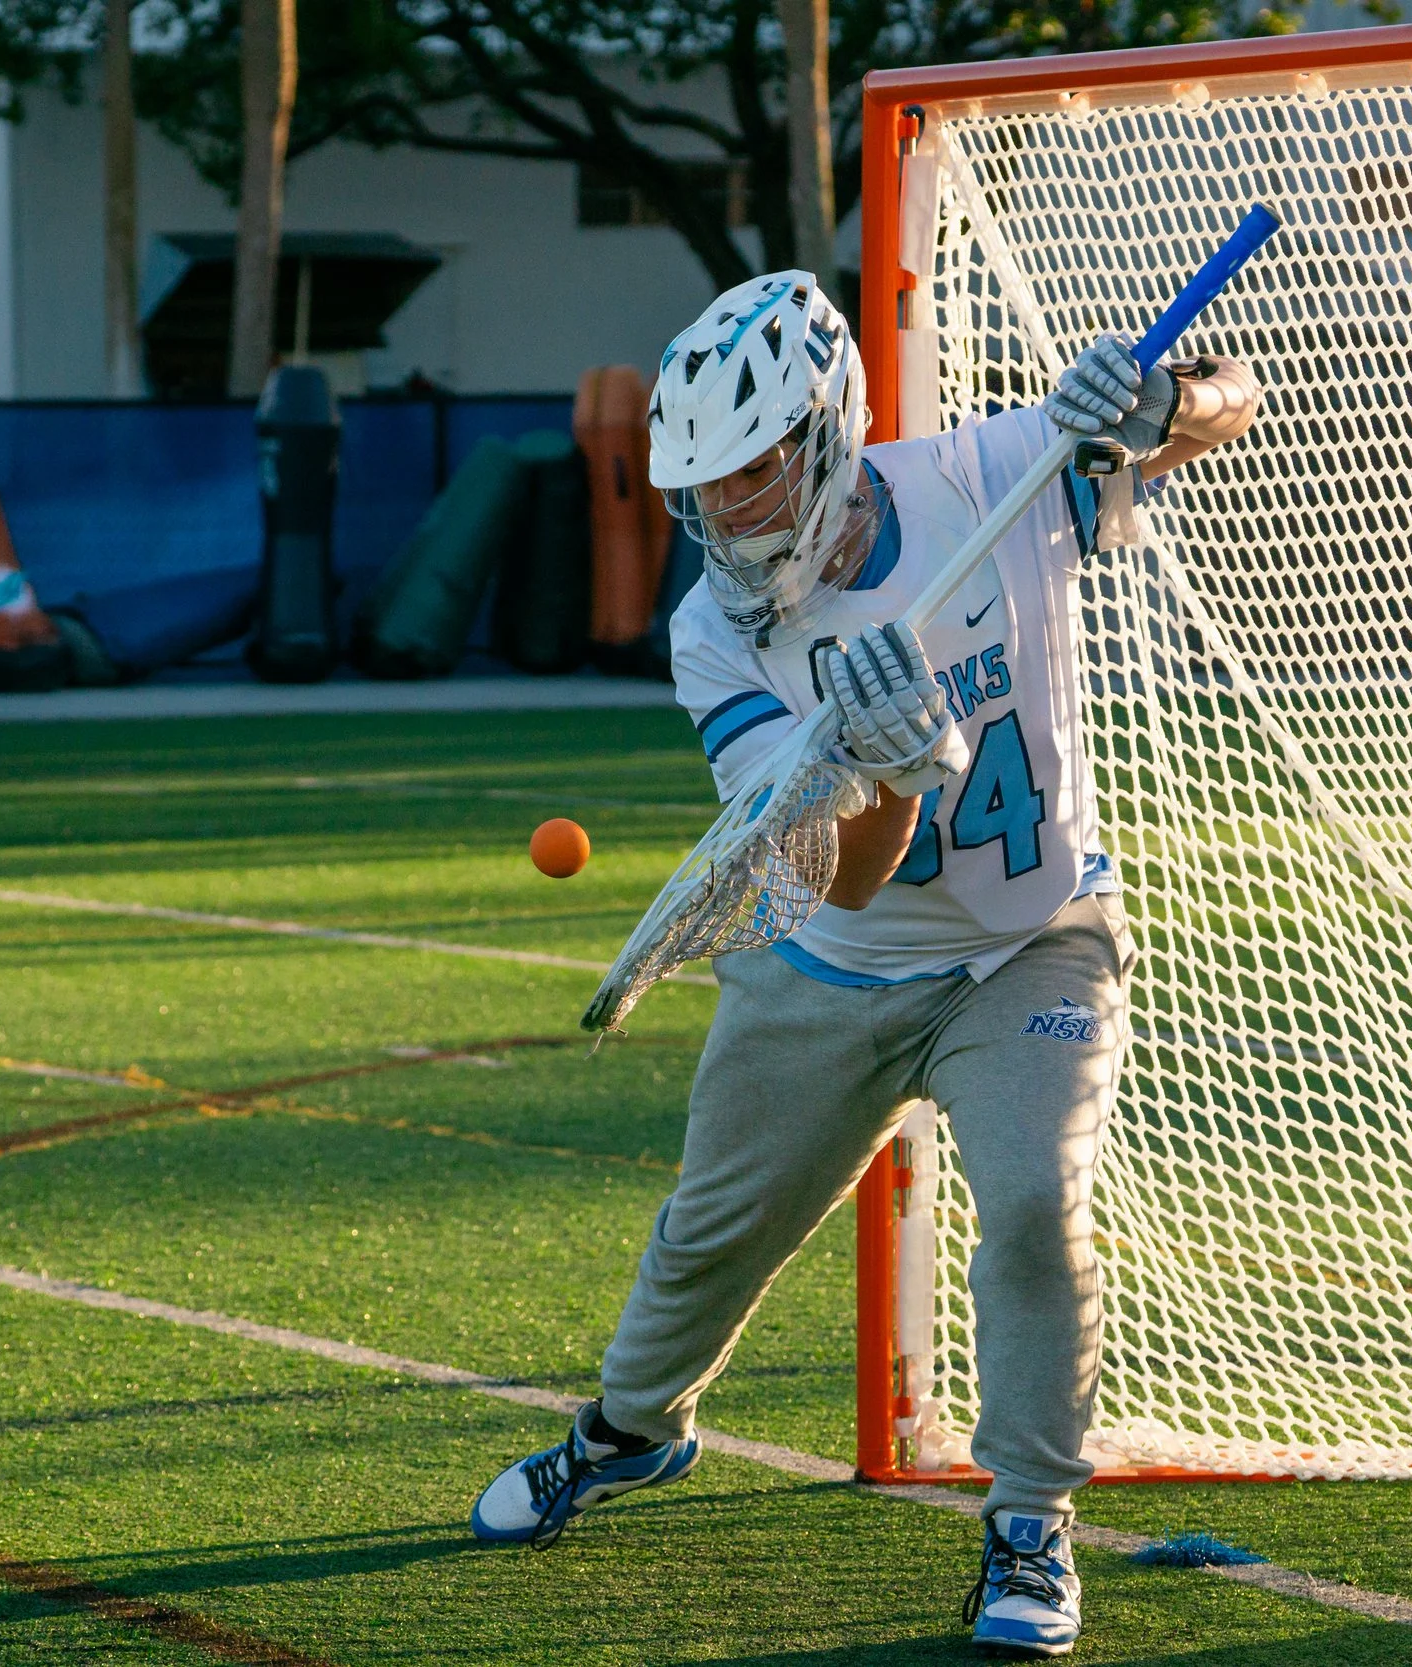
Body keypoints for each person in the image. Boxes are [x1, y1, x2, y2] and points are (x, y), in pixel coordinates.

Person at [470, 272, 1259, 1658]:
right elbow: (843, 874)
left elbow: (1230, 404)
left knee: (1032, 1204)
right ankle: (633, 1429)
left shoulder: (994, 475)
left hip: (1031, 946)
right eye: (703, 484)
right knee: (710, 1238)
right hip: (831, 957)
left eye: (755, 470)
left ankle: (1028, 1519)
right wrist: (891, 772)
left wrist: (1160, 408)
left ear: (830, 432)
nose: (726, 511)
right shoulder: (717, 635)